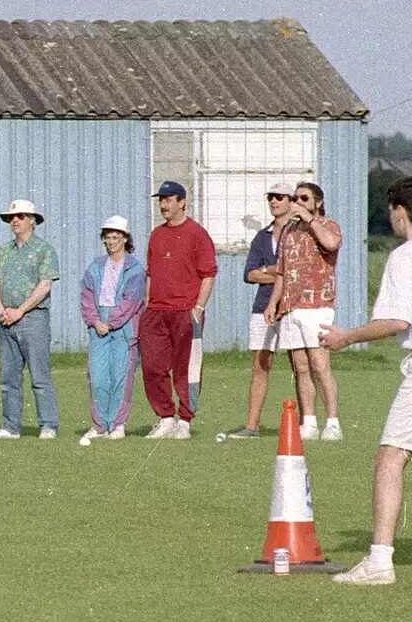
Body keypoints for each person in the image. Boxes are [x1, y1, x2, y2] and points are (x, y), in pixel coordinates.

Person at [320, 175, 412, 585]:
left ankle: (379, 561)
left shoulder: (405, 256)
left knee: (389, 458)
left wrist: (345, 337)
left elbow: (395, 321)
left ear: (399, 212)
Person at [265, 181, 343, 442]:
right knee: (300, 367)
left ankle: (332, 421)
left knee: (320, 365)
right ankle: (308, 421)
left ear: (317, 202)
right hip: (291, 306)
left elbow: (331, 244)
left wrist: (310, 219)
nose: (299, 202)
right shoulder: (288, 231)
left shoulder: (327, 225)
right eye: (296, 198)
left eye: (304, 198)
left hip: (317, 306)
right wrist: (273, 303)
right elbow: (282, 271)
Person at [142, 181, 217, 439]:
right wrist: (147, 304)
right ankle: (165, 417)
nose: (163, 205)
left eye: (168, 199)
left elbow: (208, 274)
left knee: (186, 367)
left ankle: (184, 420)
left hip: (186, 310)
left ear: (182, 202)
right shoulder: (156, 235)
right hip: (156, 311)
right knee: (153, 366)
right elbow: (150, 273)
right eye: (161, 200)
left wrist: (199, 307)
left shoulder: (197, 234)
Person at [0, 199, 61, 440]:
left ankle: (47, 424)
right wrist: (0, 309)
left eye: (20, 217)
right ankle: (10, 426)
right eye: (11, 218)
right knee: (8, 377)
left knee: (39, 376)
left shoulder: (44, 250)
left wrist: (21, 310)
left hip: (33, 319)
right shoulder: (3, 251)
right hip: (7, 319)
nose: (14, 221)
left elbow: (44, 285)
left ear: (32, 220)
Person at [224, 185, 296, 439]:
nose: (274, 202)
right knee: (260, 365)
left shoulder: (299, 232)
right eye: (270, 198)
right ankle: (252, 426)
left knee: (300, 365)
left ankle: (306, 424)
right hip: (262, 307)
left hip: (291, 307)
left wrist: (269, 270)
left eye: (279, 197)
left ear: (291, 201)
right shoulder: (262, 237)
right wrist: (276, 272)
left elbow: (295, 273)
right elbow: (249, 274)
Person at [78, 215, 145, 443]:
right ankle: (99, 425)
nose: (112, 241)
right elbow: (86, 296)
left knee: (120, 376)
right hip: (98, 325)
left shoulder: (135, 268)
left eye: (116, 236)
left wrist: (111, 322)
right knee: (97, 376)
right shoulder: (95, 267)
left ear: (125, 238)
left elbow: (131, 300)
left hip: (124, 328)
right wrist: (96, 321)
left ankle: (117, 424)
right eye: (108, 237)